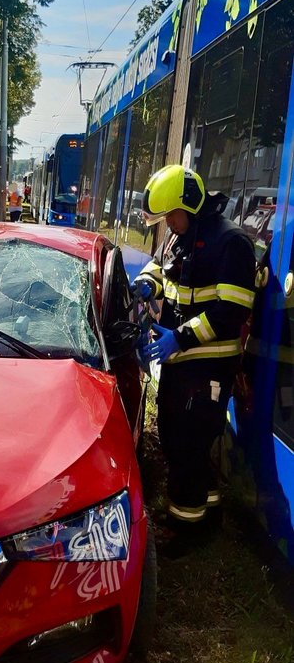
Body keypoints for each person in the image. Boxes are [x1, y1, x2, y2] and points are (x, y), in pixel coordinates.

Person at [133, 164, 256, 558]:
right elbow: (159, 265)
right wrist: (148, 282)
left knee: (188, 443)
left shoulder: (231, 243)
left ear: (190, 204)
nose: (168, 223)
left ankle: (186, 529)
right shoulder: (179, 235)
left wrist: (180, 338)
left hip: (208, 367)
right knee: (177, 436)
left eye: (171, 214)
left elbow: (230, 311)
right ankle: (207, 507)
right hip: (181, 364)